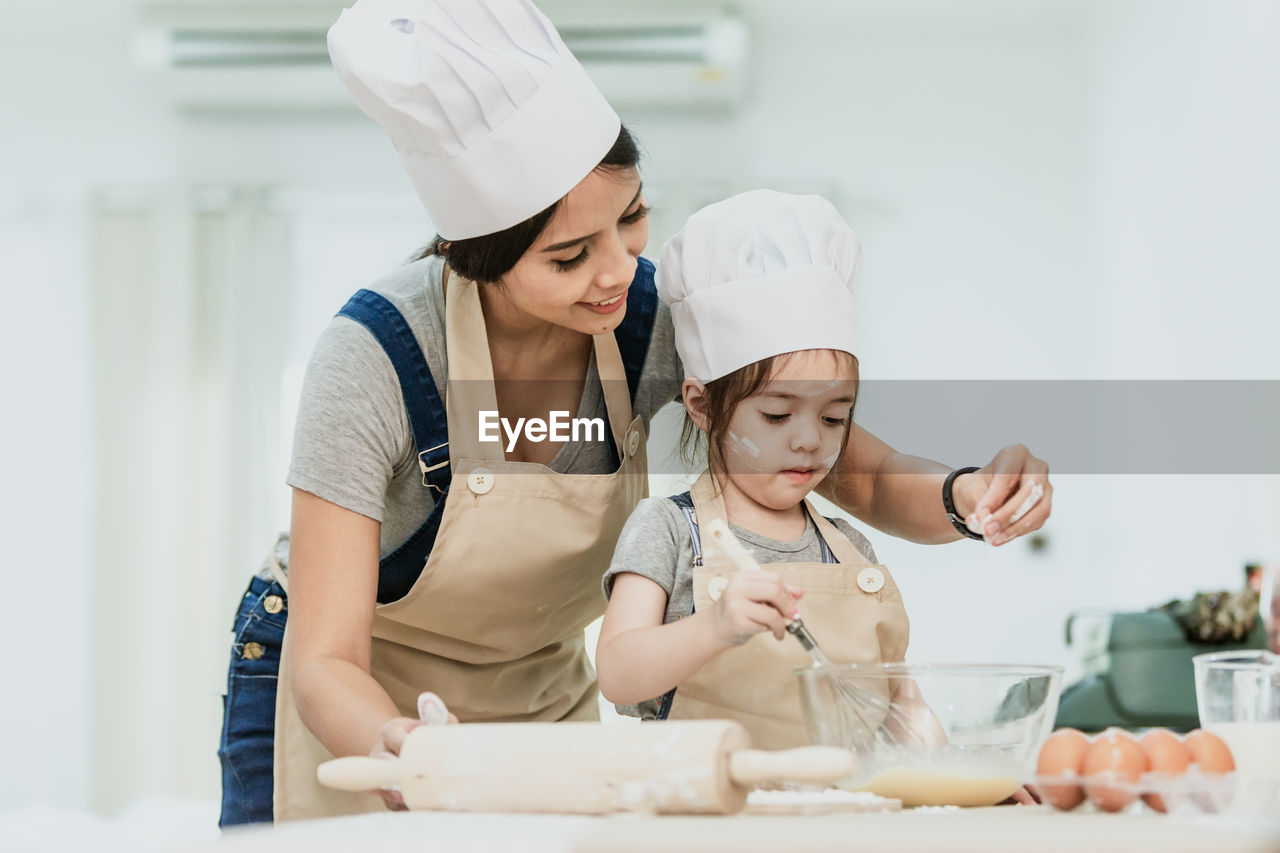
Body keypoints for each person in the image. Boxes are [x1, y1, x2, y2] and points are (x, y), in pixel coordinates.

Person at [218, 0, 1052, 826]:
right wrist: (410, 751)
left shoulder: (647, 324)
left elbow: (841, 463)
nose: (618, 272)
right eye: (571, 256)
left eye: (632, 218)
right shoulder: (378, 358)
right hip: (354, 687)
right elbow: (327, 658)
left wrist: (967, 496)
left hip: (538, 681)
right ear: (477, 258)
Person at [596, 190, 907, 747]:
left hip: (837, 821)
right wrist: (715, 626)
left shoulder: (851, 550)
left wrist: (965, 771)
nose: (810, 440)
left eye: (835, 418)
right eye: (777, 413)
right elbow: (618, 674)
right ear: (702, 405)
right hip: (706, 821)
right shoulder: (667, 529)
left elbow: (899, 705)